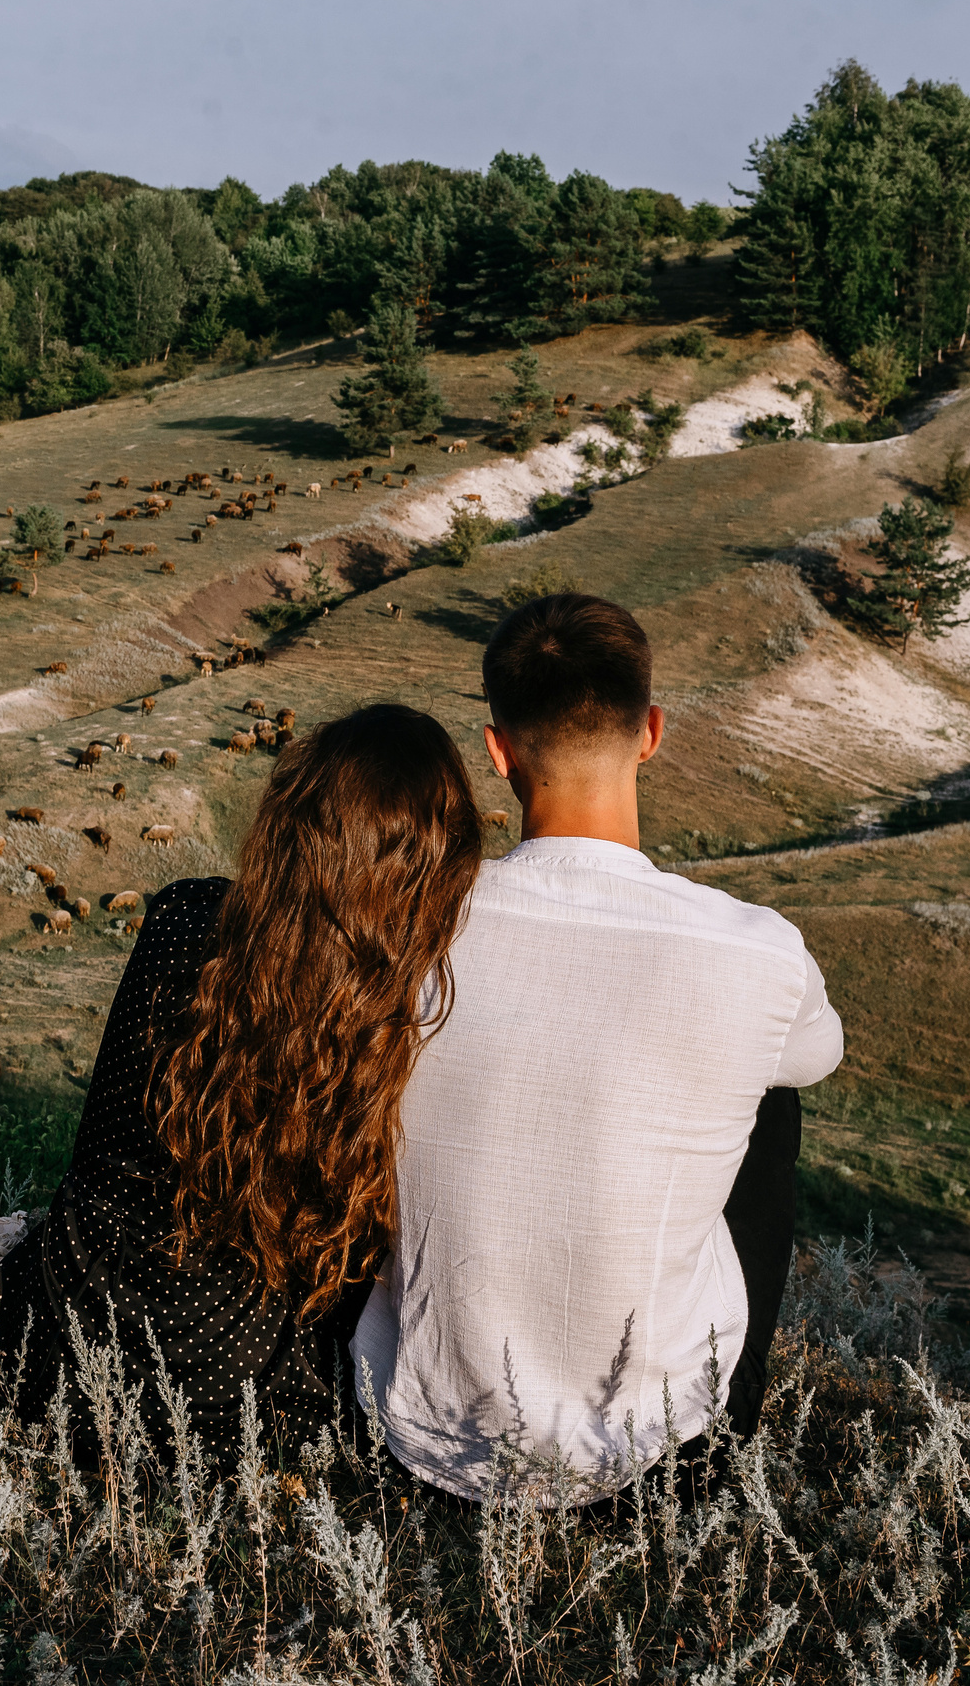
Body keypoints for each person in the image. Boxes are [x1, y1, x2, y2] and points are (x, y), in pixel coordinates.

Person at [350, 594, 845, 1506]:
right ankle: (710, 1443)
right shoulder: (755, 947)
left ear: (498, 753)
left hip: (419, 1424)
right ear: (651, 733)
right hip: (655, 1445)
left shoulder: (410, 923)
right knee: (771, 1094)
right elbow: (821, 1052)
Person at [0, 703, 484, 1456]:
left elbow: (99, 1150)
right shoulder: (408, 1013)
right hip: (241, 1397)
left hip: (56, 1339)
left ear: (288, 825)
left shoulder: (184, 918)